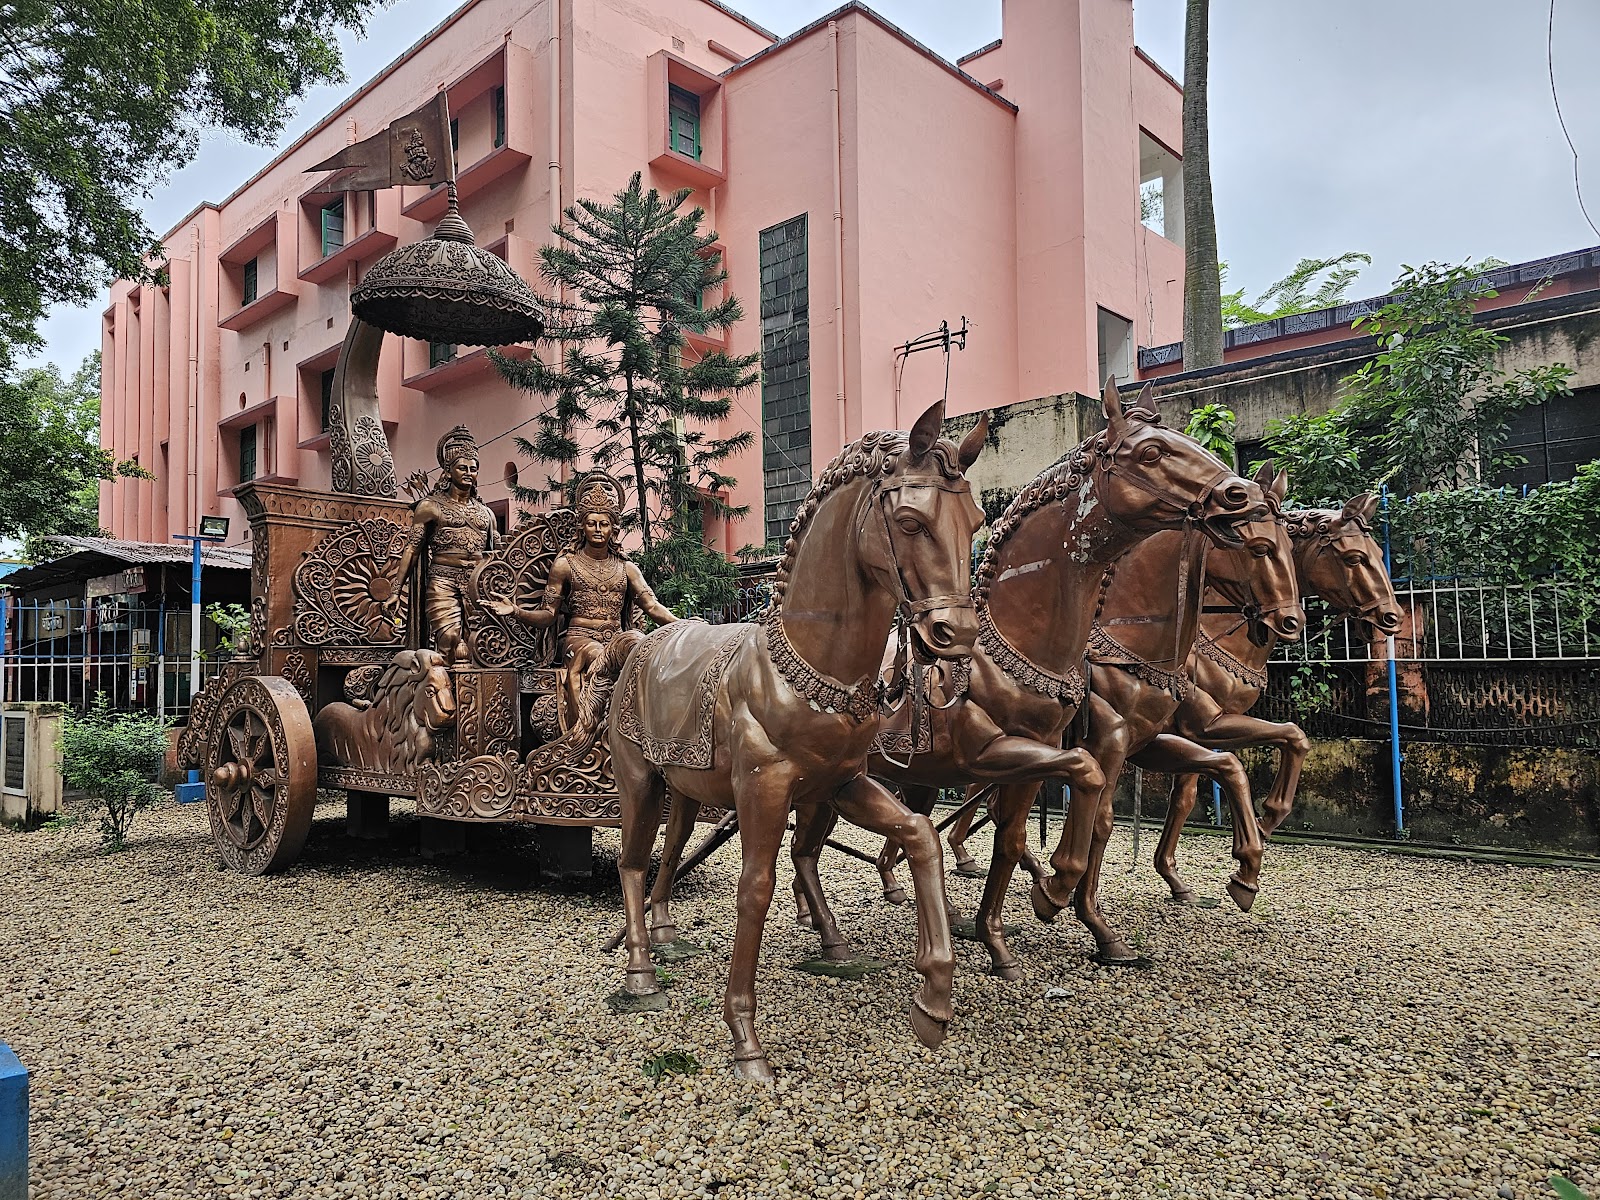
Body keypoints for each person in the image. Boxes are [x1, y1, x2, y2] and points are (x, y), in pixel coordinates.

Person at [485, 474, 676, 726]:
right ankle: (591, 729)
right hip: (579, 641)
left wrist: (681, 624)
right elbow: (548, 615)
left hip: (617, 638)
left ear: (614, 529)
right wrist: (516, 611)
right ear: (582, 527)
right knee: (600, 657)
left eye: (604, 524)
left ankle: (641, 727)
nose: (598, 530)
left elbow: (651, 605)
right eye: (592, 523)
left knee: (642, 652)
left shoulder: (627, 568)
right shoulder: (565, 565)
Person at [388, 425, 497, 664]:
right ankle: (439, 693)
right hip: (443, 579)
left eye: (473, 468)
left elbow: (495, 557)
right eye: (462, 468)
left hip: (476, 584)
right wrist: (396, 591)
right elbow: (413, 548)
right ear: (448, 470)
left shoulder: (486, 513)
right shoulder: (430, 507)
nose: (469, 473)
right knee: (449, 638)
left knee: (478, 643)